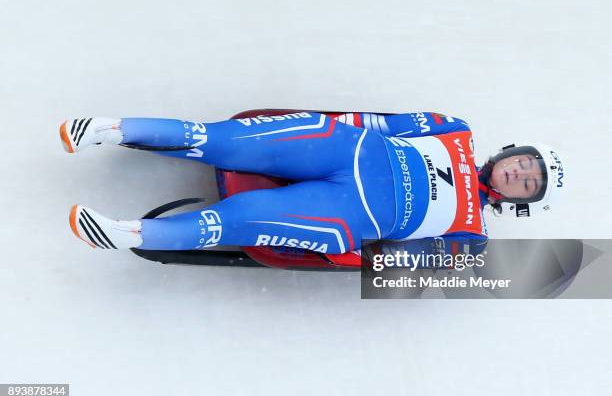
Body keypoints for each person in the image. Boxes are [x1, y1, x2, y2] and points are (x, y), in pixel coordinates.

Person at [60, 111, 565, 256]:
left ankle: (131, 234)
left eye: (529, 184)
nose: (521, 173)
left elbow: (399, 263)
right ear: (511, 152)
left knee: (242, 220)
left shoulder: (472, 236)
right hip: (342, 146)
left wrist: (345, 253)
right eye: (526, 163)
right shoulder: (454, 129)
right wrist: (330, 124)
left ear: (521, 202)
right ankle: (111, 129)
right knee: (222, 140)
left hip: (348, 212)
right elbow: (379, 121)